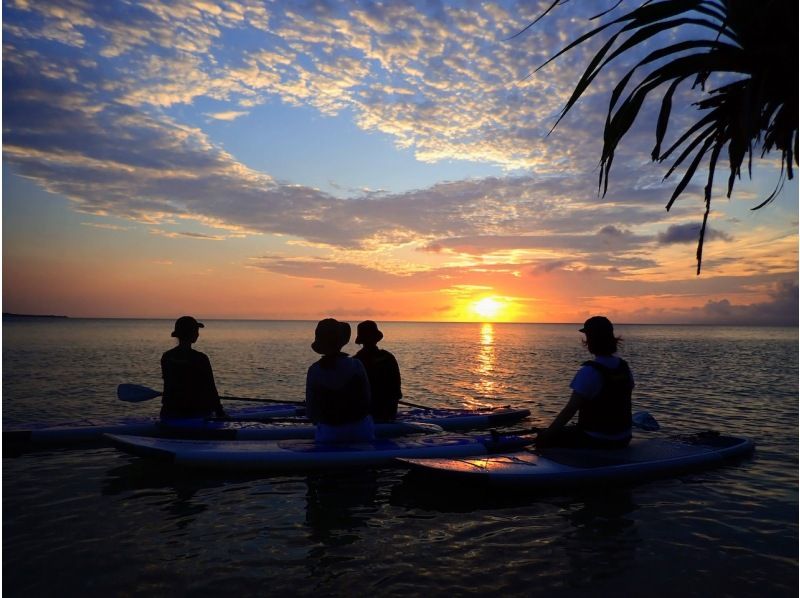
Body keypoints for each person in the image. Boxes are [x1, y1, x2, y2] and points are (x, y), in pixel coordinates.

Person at [537, 316, 633, 449]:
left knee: (543, 439)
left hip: (594, 439)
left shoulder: (590, 372)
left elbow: (570, 410)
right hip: (623, 438)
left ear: (590, 341)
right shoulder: (624, 368)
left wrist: (546, 435)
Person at [305, 318, 375, 442]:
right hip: (360, 431)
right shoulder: (357, 365)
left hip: (328, 434)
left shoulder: (314, 370)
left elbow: (311, 412)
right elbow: (367, 400)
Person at [160, 316, 226, 419]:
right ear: (190, 334)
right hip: (196, 412)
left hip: (169, 411)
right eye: (196, 331)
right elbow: (211, 388)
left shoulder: (167, 356)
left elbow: (169, 384)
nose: (198, 334)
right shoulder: (201, 358)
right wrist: (220, 412)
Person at [354, 320, 402, 422]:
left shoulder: (356, 361)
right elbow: (396, 390)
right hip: (387, 412)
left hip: (365, 414)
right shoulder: (388, 357)